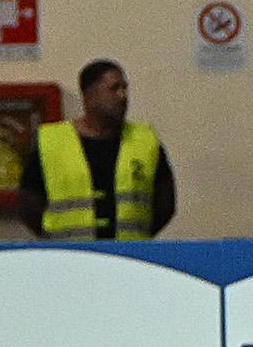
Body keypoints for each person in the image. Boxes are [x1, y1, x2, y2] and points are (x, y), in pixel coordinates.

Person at [12, 59, 178, 241]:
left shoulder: (145, 141)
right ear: (89, 95)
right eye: (114, 89)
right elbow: (28, 205)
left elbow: (165, 205)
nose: (122, 96)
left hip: (129, 256)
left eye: (125, 88)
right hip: (71, 256)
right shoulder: (51, 142)